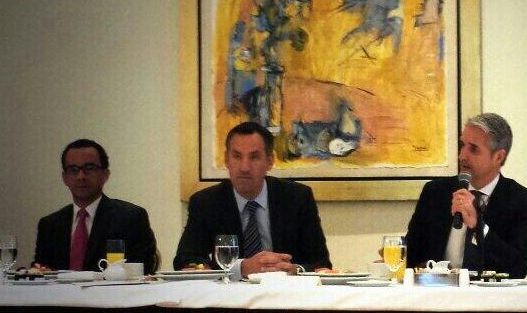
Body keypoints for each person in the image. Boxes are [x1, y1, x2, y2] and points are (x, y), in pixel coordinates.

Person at [174, 121, 332, 278]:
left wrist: (295, 269)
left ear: (269, 161)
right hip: (228, 293)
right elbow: (186, 261)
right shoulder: (206, 203)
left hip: (285, 290)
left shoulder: (298, 198)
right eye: (237, 156)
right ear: (227, 160)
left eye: (254, 157)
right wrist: (240, 268)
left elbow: (321, 263)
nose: (244, 167)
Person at [404, 113, 527, 279]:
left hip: (490, 295)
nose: (462, 156)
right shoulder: (435, 192)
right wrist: (395, 258)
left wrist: (478, 226)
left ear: (499, 157)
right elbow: (411, 255)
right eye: (462, 145)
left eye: (474, 149)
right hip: (437, 292)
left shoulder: (523, 201)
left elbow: (518, 268)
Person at [33, 139, 157, 272]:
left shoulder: (130, 218)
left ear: (105, 174)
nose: (81, 176)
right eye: (73, 170)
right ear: (65, 178)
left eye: (89, 168)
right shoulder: (49, 225)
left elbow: (143, 269)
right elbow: (42, 270)